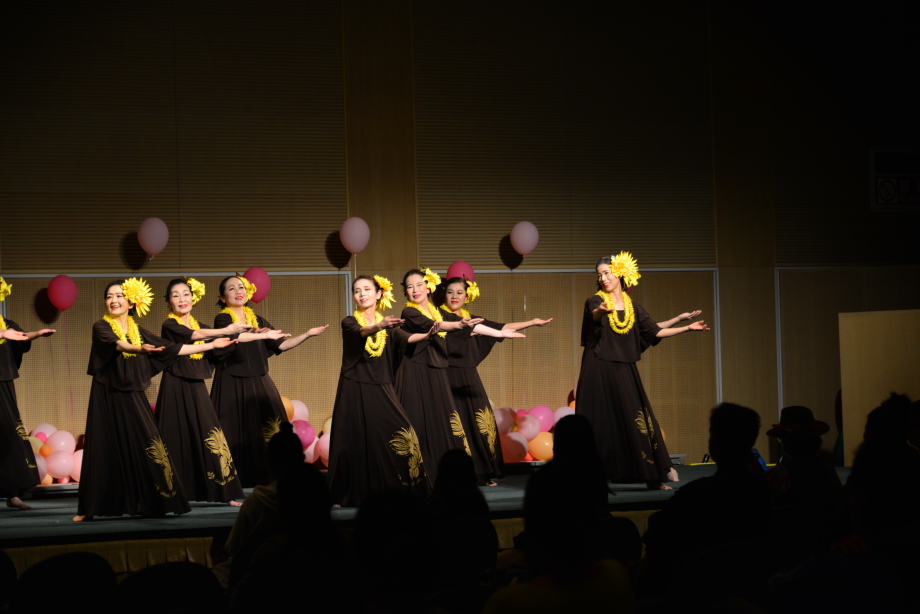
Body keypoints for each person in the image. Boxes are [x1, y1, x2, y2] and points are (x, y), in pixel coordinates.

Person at [74, 278, 237, 521]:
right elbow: (117, 344)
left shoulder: (138, 331)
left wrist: (211, 345)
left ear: (131, 302)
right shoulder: (101, 326)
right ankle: (90, 509)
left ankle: (154, 501)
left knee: (150, 444)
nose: (114, 300)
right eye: (109, 297)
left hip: (134, 393)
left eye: (119, 296)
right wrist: (138, 349)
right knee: (103, 448)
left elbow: (173, 348)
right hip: (106, 395)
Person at [577, 252, 709, 489]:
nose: (603, 278)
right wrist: (601, 312)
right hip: (598, 367)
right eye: (599, 275)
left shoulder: (634, 308)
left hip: (624, 367)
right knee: (599, 420)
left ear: (620, 273)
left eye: (606, 273)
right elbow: (594, 315)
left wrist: (685, 326)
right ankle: (591, 477)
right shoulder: (595, 301)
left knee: (635, 416)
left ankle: (651, 476)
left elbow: (653, 331)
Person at [155, 278, 289, 506]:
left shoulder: (200, 325)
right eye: (175, 295)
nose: (182, 299)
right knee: (173, 437)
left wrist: (254, 333)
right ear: (168, 302)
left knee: (211, 433)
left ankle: (223, 492)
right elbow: (196, 336)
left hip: (196, 384)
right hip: (175, 386)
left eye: (186, 294)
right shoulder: (170, 325)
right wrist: (228, 330)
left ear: (193, 298)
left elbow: (225, 339)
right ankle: (169, 493)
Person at [397, 268, 522, 483]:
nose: (415, 290)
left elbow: (475, 326)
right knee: (419, 424)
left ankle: (444, 476)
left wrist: (499, 333)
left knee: (443, 425)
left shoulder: (435, 312)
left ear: (428, 287)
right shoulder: (410, 313)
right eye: (410, 287)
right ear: (406, 292)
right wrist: (459, 324)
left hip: (434, 370)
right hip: (415, 373)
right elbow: (438, 326)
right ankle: (416, 478)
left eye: (419, 285)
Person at [326, 274, 441, 507]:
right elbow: (361, 333)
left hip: (382, 385)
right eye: (357, 291)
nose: (362, 294)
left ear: (379, 294)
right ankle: (343, 492)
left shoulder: (389, 326)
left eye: (367, 289)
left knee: (403, 432)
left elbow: (406, 338)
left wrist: (428, 335)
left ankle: (406, 489)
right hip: (354, 387)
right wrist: (379, 326)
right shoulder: (350, 322)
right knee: (351, 439)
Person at [210, 274, 328, 487]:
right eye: (231, 288)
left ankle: (272, 477)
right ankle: (234, 483)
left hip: (259, 380)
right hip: (232, 382)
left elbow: (280, 344)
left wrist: (307, 334)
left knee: (272, 429)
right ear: (222, 297)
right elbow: (237, 337)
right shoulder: (223, 320)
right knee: (232, 432)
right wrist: (263, 335)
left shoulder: (258, 320)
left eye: (241, 287)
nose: (238, 291)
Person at [439, 276, 551, 484]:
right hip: (445, 377)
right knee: (454, 426)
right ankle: (455, 475)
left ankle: (481, 472)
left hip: (469, 377)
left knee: (480, 423)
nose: (454, 296)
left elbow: (502, 327)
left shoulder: (473, 319)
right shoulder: (439, 317)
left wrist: (531, 323)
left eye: (459, 292)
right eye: (450, 292)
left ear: (467, 297)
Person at [0, 276, 55, 510]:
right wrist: (2, 334)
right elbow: (7, 334)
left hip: (3, 385)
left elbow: (20, 336)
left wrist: (36, 334)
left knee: (11, 438)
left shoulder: (7, 323)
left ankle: (13, 493)